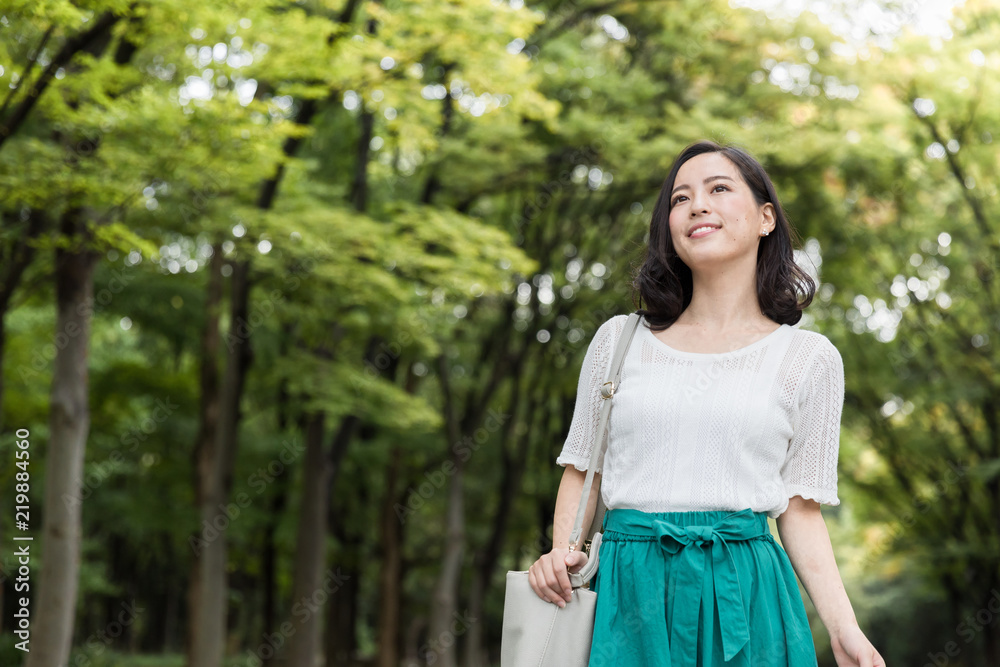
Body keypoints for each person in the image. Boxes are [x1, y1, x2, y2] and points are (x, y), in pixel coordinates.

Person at [527, 140, 886, 667]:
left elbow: (800, 511)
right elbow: (585, 470)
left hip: (748, 590)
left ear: (766, 218)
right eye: (680, 198)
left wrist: (844, 627)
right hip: (628, 592)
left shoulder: (809, 358)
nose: (697, 205)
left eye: (719, 189)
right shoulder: (618, 340)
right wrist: (563, 554)